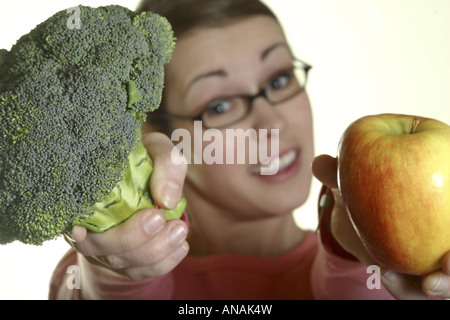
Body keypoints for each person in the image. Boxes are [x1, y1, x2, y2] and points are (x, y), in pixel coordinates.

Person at [49, 0, 450, 300]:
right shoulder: (92, 273)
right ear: (153, 134)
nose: (272, 123)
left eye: (277, 80)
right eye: (219, 105)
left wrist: (353, 242)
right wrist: (120, 267)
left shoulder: (372, 273)